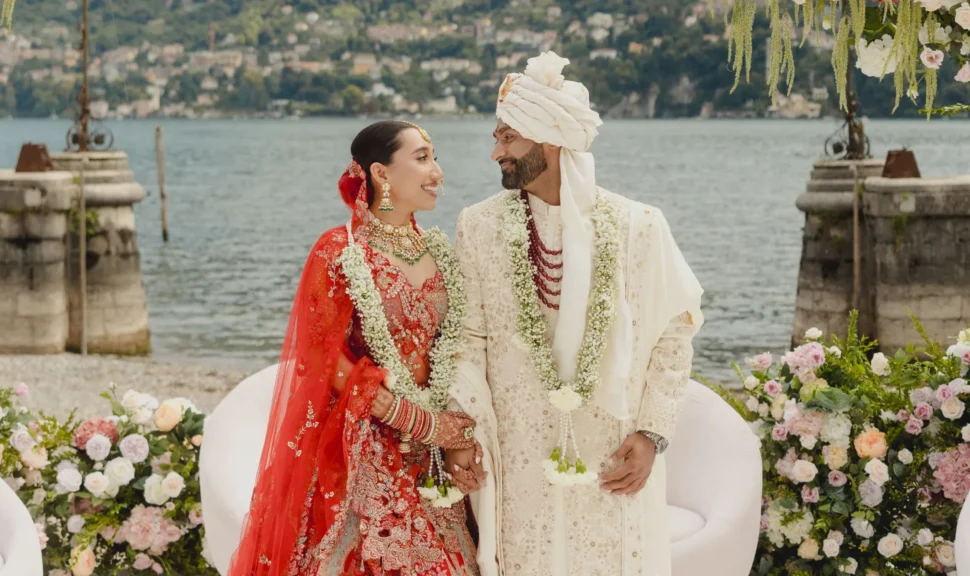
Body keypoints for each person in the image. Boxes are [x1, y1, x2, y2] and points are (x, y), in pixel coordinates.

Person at [445, 52, 705, 575]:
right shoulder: (478, 226)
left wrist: (653, 434)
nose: (496, 152)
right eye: (498, 137)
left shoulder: (638, 226)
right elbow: (466, 339)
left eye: (507, 138)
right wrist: (463, 439)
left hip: (613, 450)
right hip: (517, 455)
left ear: (550, 140)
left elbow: (674, 336)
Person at [227, 121, 481, 576]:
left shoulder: (441, 251)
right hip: (367, 445)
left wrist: (452, 432)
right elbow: (322, 357)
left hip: (431, 453)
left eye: (435, 157)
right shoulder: (340, 250)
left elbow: (458, 347)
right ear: (381, 174)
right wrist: (404, 414)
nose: (437, 171)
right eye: (422, 158)